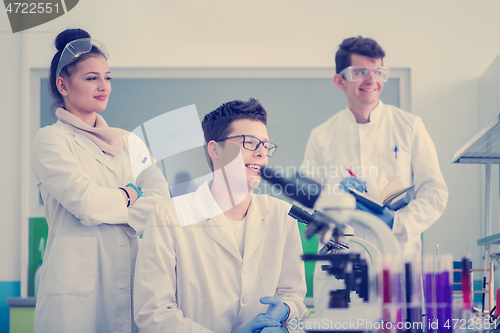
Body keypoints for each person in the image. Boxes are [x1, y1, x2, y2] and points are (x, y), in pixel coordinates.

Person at [31, 28, 170, 333]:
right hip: (74, 299)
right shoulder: (51, 140)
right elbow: (87, 204)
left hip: (131, 283)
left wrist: (117, 204)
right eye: (91, 78)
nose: (103, 86)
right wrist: (132, 193)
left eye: (107, 77)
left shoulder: (129, 143)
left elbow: (161, 201)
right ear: (62, 85)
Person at [134, 98, 307, 333]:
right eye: (249, 142)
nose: (260, 154)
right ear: (215, 149)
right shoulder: (170, 216)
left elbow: (292, 294)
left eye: (265, 146)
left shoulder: (281, 215)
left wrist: (286, 310)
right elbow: (153, 313)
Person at [300, 36, 448, 310]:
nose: (372, 79)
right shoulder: (322, 136)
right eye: (360, 72)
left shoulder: (409, 126)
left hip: (397, 258)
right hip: (342, 262)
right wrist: (333, 206)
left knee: (398, 324)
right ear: (339, 80)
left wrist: (398, 222)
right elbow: (308, 201)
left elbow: (435, 191)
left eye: (378, 71)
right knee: (342, 328)